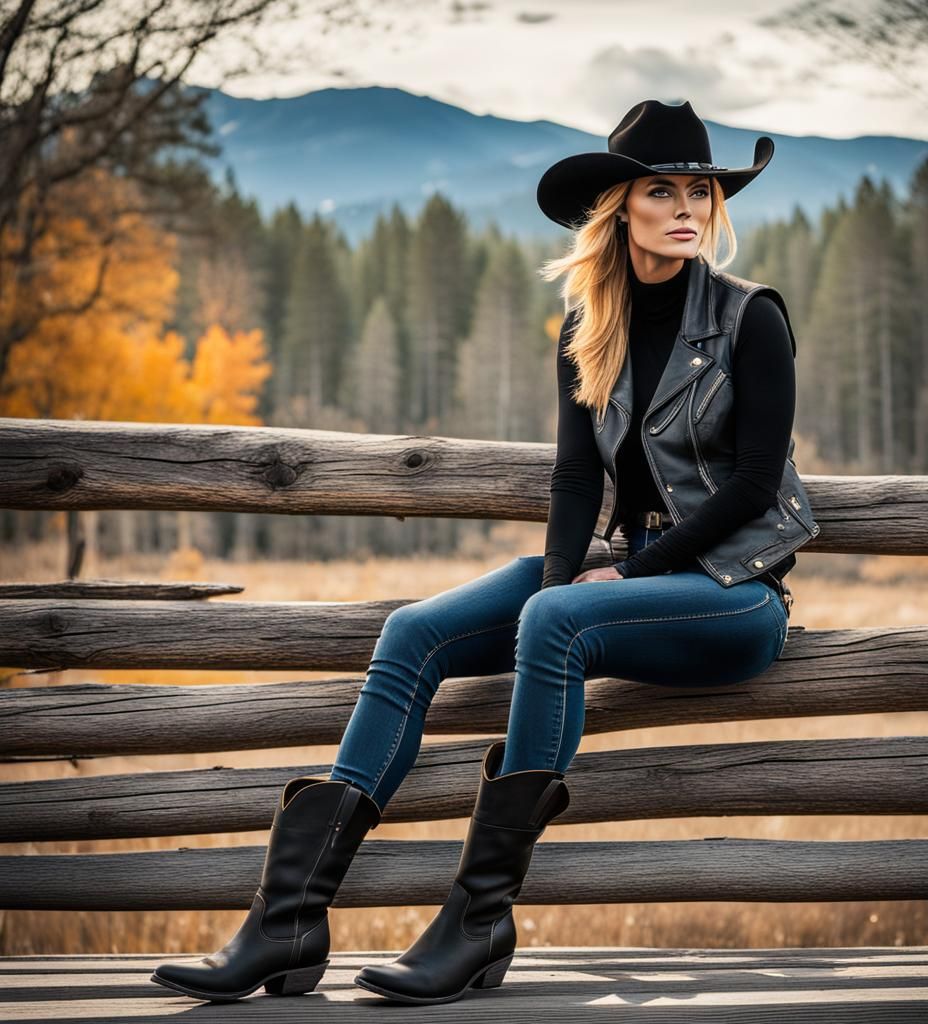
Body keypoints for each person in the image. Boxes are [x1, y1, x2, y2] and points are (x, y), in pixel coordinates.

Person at [150, 98, 820, 1006]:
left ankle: (477, 921)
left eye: (699, 189)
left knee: (558, 618)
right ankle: (289, 923)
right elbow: (577, 485)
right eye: (660, 190)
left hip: (733, 592)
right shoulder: (591, 329)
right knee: (414, 631)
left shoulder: (750, 320)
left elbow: (749, 486)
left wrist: (618, 576)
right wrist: (559, 581)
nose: (686, 206)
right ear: (618, 208)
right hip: (631, 575)